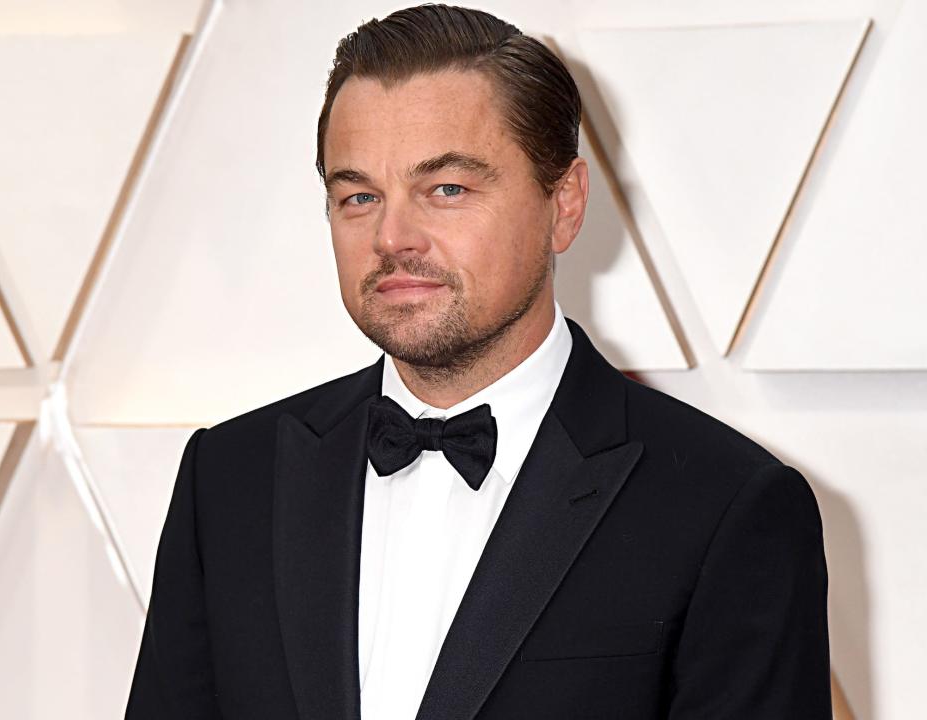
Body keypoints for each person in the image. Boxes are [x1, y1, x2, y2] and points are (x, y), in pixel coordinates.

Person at [125, 4, 831, 719]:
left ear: (564, 204)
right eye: (359, 195)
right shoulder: (231, 477)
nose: (393, 236)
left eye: (448, 190)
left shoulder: (726, 505)